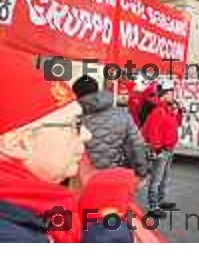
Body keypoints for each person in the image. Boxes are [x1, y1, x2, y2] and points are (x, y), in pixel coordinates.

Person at [0, 46, 137, 243]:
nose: (87, 134)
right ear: (18, 143)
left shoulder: (29, 206)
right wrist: (107, 219)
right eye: (75, 124)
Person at [71, 75, 148, 178]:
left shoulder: (71, 117)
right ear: (98, 90)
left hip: (79, 179)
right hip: (113, 177)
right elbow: (137, 146)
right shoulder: (122, 115)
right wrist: (141, 172)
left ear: (76, 94)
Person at [142, 81, 183, 218]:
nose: (173, 95)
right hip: (162, 150)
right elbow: (153, 131)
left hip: (168, 148)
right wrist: (156, 148)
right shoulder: (158, 111)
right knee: (156, 179)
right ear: (163, 95)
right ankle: (153, 206)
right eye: (170, 93)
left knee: (163, 178)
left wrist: (180, 111)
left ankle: (160, 201)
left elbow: (176, 124)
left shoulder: (167, 109)